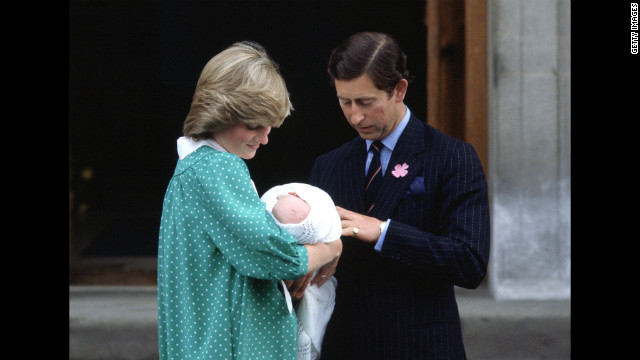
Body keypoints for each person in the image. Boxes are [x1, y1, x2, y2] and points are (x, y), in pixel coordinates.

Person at [305, 32, 491, 359]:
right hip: (345, 346)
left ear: (399, 90)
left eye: (366, 102)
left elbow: (469, 262)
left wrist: (383, 232)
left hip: (420, 347)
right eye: (344, 101)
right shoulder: (329, 165)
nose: (355, 116)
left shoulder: (451, 156)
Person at [157, 41, 342, 360]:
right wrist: (331, 247)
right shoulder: (218, 167)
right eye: (253, 125)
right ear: (216, 112)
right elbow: (268, 254)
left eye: (269, 124)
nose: (266, 136)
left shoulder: (191, 169)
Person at [261, 183, 342, 360]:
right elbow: (291, 262)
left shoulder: (317, 206)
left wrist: (330, 242)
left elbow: (325, 226)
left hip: (312, 285)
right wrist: (331, 248)